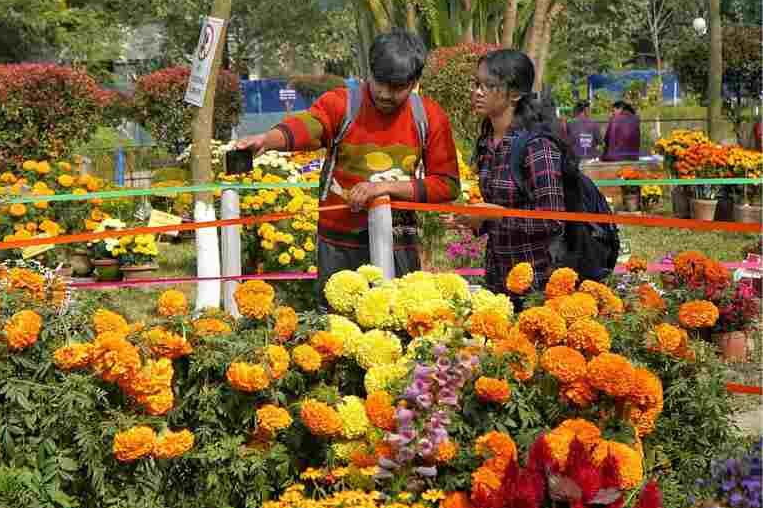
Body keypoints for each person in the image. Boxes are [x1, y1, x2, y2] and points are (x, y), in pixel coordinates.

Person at [236, 29, 460, 304]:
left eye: (397, 87)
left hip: (398, 244)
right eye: (380, 82)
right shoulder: (341, 104)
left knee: (399, 325)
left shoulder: (429, 117)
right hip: (339, 245)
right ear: (369, 72)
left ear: (414, 82)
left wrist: (383, 189)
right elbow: (309, 126)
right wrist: (267, 140)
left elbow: (447, 185)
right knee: (334, 331)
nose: (385, 94)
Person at [469, 49, 568, 296]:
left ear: (515, 94)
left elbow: (553, 219)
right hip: (497, 280)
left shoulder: (537, 146)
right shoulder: (486, 142)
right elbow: (494, 212)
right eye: (476, 84)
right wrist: (474, 219)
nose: (477, 92)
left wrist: (497, 215)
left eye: (488, 85)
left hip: (536, 286)